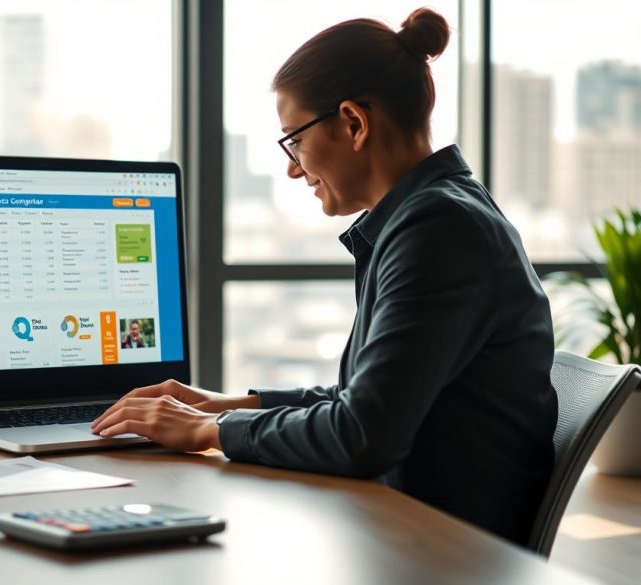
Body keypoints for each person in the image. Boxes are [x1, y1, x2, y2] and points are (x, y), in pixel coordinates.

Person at [92, 7, 557, 548]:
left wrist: (204, 431)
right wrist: (230, 405)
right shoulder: (430, 216)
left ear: (354, 123)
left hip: (440, 552)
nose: (293, 167)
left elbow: (362, 435)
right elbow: (366, 399)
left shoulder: (439, 229)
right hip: (402, 529)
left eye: (294, 139)